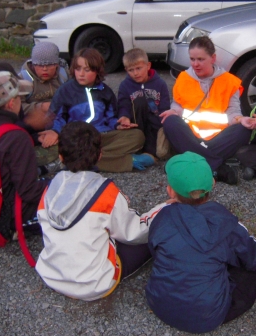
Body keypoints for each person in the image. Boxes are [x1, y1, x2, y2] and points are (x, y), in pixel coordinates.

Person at [145, 152, 256, 333]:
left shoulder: (162, 217)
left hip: (158, 303)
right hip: (206, 317)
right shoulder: (226, 225)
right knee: (251, 269)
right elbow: (255, 257)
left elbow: (154, 250)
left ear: (170, 191)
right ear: (213, 184)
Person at [35, 121, 163, 301]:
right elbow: (134, 232)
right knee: (153, 234)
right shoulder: (105, 191)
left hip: (51, 274)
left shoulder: (50, 189)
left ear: (61, 157)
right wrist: (163, 208)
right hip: (95, 283)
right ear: (100, 155)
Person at [160, 36, 253, 185]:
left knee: (244, 129)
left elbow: (233, 112)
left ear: (213, 58)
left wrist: (241, 119)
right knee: (170, 121)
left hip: (218, 138)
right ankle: (215, 167)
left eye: (200, 59)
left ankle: (190, 162)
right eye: (192, 59)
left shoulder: (229, 81)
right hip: (191, 137)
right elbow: (177, 106)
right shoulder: (183, 78)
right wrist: (174, 111)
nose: (195, 64)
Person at [38, 48, 149, 173]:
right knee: (56, 147)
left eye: (87, 70)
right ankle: (126, 161)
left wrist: (118, 125)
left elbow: (111, 117)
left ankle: (72, 161)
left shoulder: (105, 91)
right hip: (77, 139)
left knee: (137, 136)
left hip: (101, 136)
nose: (81, 74)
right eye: (78, 69)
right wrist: (54, 131)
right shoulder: (65, 91)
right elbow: (57, 117)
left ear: (97, 70)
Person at [0, 71, 48, 229]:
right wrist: (58, 186)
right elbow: (29, 192)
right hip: (9, 212)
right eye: (20, 98)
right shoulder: (17, 137)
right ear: (11, 103)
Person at [116, 48, 171, 159]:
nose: (135, 73)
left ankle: (149, 153)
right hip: (137, 125)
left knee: (161, 152)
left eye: (139, 68)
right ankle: (141, 150)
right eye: (131, 70)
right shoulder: (125, 85)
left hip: (155, 125)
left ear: (148, 65)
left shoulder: (160, 84)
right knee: (140, 101)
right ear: (126, 70)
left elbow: (165, 107)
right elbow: (123, 105)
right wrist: (124, 117)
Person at [19, 41, 70, 116]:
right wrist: (41, 107)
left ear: (56, 64)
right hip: (33, 119)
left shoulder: (64, 75)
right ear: (33, 65)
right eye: (40, 65)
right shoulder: (23, 79)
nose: (45, 69)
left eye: (49, 65)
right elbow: (17, 107)